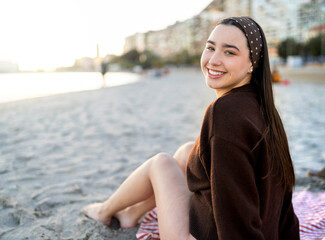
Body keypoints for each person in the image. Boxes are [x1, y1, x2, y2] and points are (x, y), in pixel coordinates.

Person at [83, 16, 300, 239]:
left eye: (230, 52)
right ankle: (132, 213)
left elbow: (234, 211)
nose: (213, 60)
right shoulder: (264, 108)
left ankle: (103, 211)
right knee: (189, 152)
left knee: (162, 164)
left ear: (252, 63)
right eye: (210, 48)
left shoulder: (224, 112)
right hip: (263, 231)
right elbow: (284, 202)